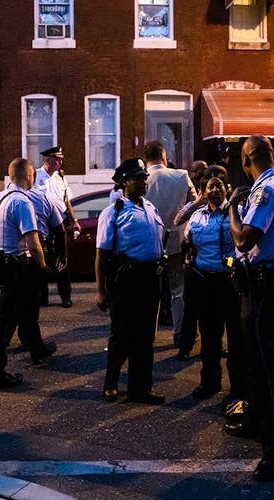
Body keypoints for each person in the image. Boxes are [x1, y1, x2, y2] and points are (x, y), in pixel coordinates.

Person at [227, 136, 274, 482]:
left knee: (269, 369)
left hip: (265, 285)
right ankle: (257, 422)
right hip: (262, 282)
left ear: (246, 158)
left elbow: (244, 240)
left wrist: (230, 208)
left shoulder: (267, 189)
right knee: (256, 363)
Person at [96, 158, 166, 405]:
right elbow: (102, 254)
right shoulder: (113, 211)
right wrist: (101, 291)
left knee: (146, 338)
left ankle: (140, 389)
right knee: (121, 335)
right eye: (138, 178)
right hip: (126, 280)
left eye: (144, 177)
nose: (144, 181)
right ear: (125, 182)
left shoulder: (150, 207)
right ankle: (111, 383)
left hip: (150, 278)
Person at [0, 158, 55, 390]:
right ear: (30, 176)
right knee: (6, 321)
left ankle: (38, 349)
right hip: (13, 265)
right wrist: (44, 267)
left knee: (23, 308)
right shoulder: (22, 202)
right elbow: (33, 243)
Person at [184, 176, 246, 400]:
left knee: (236, 337)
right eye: (210, 186)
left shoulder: (235, 213)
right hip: (205, 283)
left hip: (230, 282)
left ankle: (239, 387)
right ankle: (209, 383)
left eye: (220, 185)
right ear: (204, 191)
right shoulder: (197, 216)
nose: (216, 189)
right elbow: (187, 239)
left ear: (227, 189)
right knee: (210, 337)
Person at [144, 141, 196, 333]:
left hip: (149, 242)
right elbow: (195, 204)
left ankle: (149, 333)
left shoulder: (142, 179)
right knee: (178, 291)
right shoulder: (181, 175)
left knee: (151, 292)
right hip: (177, 240)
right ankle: (179, 332)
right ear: (164, 156)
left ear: (146, 159)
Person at [35, 146, 78, 307]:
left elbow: (67, 201)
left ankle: (65, 297)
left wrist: (74, 220)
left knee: (63, 259)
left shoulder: (60, 177)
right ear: (48, 160)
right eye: (57, 159)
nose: (60, 162)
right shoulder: (35, 177)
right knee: (42, 260)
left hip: (60, 222)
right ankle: (42, 297)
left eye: (61, 159)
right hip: (43, 223)